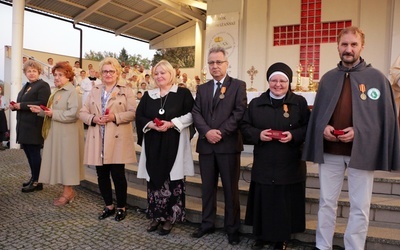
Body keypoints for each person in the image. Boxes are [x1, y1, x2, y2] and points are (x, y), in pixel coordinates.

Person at [302, 26, 400, 250]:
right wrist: (323, 128)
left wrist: (359, 131)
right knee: (327, 203)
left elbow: (384, 119)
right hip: (331, 153)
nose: (348, 49)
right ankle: (322, 246)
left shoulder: (376, 78)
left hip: (362, 153)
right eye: (344, 44)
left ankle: (354, 247)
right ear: (337, 46)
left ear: (361, 47)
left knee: (360, 206)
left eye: (353, 44)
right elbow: (318, 115)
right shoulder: (328, 79)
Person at [240, 63, 310, 249]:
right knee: (264, 199)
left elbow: (309, 127)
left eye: (282, 81)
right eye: (274, 80)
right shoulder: (256, 103)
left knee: (283, 201)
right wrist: (258, 135)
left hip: (289, 161)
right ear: (268, 81)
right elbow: (245, 126)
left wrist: (294, 135)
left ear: (289, 82)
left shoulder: (299, 102)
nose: (278, 84)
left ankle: (281, 238)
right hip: (265, 160)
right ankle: (261, 236)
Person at [191, 46, 247, 245]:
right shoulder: (203, 88)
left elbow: (239, 113)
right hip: (207, 146)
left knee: (231, 189)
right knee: (207, 188)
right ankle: (207, 223)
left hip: (228, 146)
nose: (215, 66)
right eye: (211, 63)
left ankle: (232, 228)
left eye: (218, 62)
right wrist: (207, 132)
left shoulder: (238, 86)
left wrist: (220, 132)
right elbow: (196, 112)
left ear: (226, 63)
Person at [136, 60, 195, 236]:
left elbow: (192, 114)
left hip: (174, 141)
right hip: (153, 142)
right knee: (154, 180)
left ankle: (170, 218)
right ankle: (156, 216)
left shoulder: (182, 93)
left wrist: (172, 123)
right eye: (156, 73)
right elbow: (139, 116)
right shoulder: (148, 95)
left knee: (173, 180)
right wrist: (151, 125)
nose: (160, 76)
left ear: (171, 74)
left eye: (163, 73)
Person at [79, 57, 136, 222]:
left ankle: (121, 207)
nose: (108, 74)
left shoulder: (126, 90)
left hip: (117, 138)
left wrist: (114, 116)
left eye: (112, 71)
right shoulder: (94, 90)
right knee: (101, 174)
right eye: (105, 71)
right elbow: (82, 112)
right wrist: (93, 118)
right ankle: (109, 205)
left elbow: (133, 113)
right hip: (98, 138)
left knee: (118, 174)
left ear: (117, 73)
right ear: (101, 73)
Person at [29, 61, 84, 206]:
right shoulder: (57, 91)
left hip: (68, 135)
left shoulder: (73, 92)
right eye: (55, 75)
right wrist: (40, 111)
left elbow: (73, 114)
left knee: (67, 163)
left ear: (69, 76)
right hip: (58, 133)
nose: (57, 78)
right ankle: (66, 191)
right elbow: (52, 112)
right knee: (61, 161)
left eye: (60, 75)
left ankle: (68, 192)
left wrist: (53, 113)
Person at [10, 60, 51, 192]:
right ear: (25, 73)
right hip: (24, 125)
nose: (31, 73)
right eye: (29, 71)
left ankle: (37, 181)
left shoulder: (43, 85)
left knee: (34, 154)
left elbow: (42, 103)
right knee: (28, 153)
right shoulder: (26, 85)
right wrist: (14, 106)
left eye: (34, 71)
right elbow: (22, 102)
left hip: (34, 125)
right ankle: (34, 177)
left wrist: (20, 106)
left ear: (39, 72)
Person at [0, 85, 9, 150]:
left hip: (1, 113)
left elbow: (7, 105)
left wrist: (3, 109)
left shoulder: (3, 98)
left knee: (2, 128)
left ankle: (0, 143)